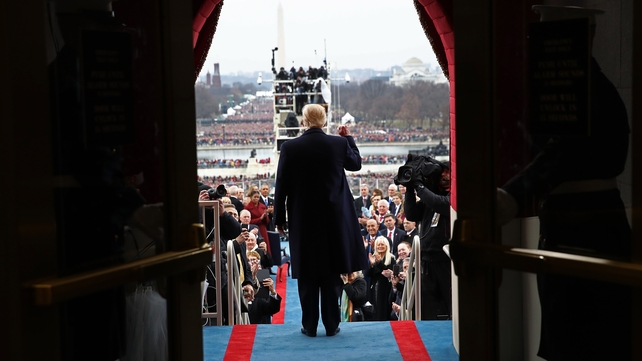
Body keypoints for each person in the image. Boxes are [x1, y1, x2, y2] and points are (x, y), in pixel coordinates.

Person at [496, 7, 632, 360]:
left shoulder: (584, 91)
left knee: (584, 339)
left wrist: (512, 195)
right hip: (580, 224)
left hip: (587, 228)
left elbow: (562, 153)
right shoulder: (583, 85)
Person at [274, 103, 368, 337]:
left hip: (302, 219)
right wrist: (349, 138)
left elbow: (281, 185)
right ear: (324, 122)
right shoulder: (338, 143)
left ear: (303, 122)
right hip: (333, 219)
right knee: (330, 272)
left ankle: (309, 325)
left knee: (306, 273)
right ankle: (332, 324)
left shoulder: (289, 147)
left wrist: (279, 217)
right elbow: (355, 164)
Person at [404, 162, 452, 320]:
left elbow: (441, 204)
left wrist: (420, 187)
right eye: (442, 174)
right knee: (426, 307)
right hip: (426, 258)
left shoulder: (452, 197)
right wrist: (410, 189)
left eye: (447, 173)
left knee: (452, 303)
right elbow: (411, 214)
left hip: (446, 259)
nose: (444, 177)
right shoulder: (429, 197)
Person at [245, 251, 281, 324]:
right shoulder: (241, 279)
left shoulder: (264, 278)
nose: (253, 263)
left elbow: (271, 309)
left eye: (255, 260)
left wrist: (273, 292)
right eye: (250, 260)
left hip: (261, 322)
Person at [366, 236, 395, 321]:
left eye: (382, 244)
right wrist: (371, 265)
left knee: (384, 309)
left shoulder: (391, 258)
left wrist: (379, 263)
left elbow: (387, 271)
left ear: (386, 246)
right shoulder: (373, 257)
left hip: (386, 288)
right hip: (374, 288)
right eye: (378, 245)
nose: (380, 246)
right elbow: (368, 274)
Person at [244, 190, 272, 256]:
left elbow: (267, 221)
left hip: (263, 229)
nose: (256, 199)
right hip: (253, 230)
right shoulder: (247, 208)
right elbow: (248, 221)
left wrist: (265, 217)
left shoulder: (263, 206)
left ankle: (266, 261)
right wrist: (260, 219)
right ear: (251, 197)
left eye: (258, 197)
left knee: (264, 246)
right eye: (255, 197)